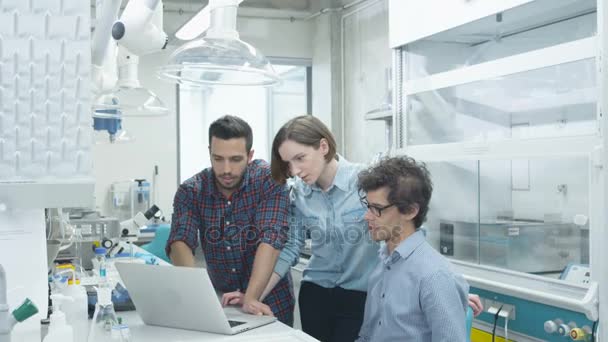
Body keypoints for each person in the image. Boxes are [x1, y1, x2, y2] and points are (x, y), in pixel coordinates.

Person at [222, 115, 482, 341]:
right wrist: (253, 297)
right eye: (288, 163)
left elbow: (408, 230)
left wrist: (451, 287)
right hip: (316, 295)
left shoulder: (367, 182)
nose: (295, 170)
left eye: (300, 158)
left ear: (323, 146)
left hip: (361, 294)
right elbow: (290, 248)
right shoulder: (299, 194)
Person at [165, 115, 295, 325]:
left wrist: (251, 297)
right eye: (218, 159)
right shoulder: (191, 190)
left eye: (235, 160)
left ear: (249, 155)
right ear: (209, 153)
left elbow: (271, 238)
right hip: (223, 302)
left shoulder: (269, 180)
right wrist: (196, 295)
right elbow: (180, 239)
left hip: (270, 301)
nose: (226, 169)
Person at [355, 156, 469, 341]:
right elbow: (367, 336)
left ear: (410, 211)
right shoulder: (383, 265)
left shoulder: (434, 276)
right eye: (368, 206)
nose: (367, 216)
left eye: (377, 209)